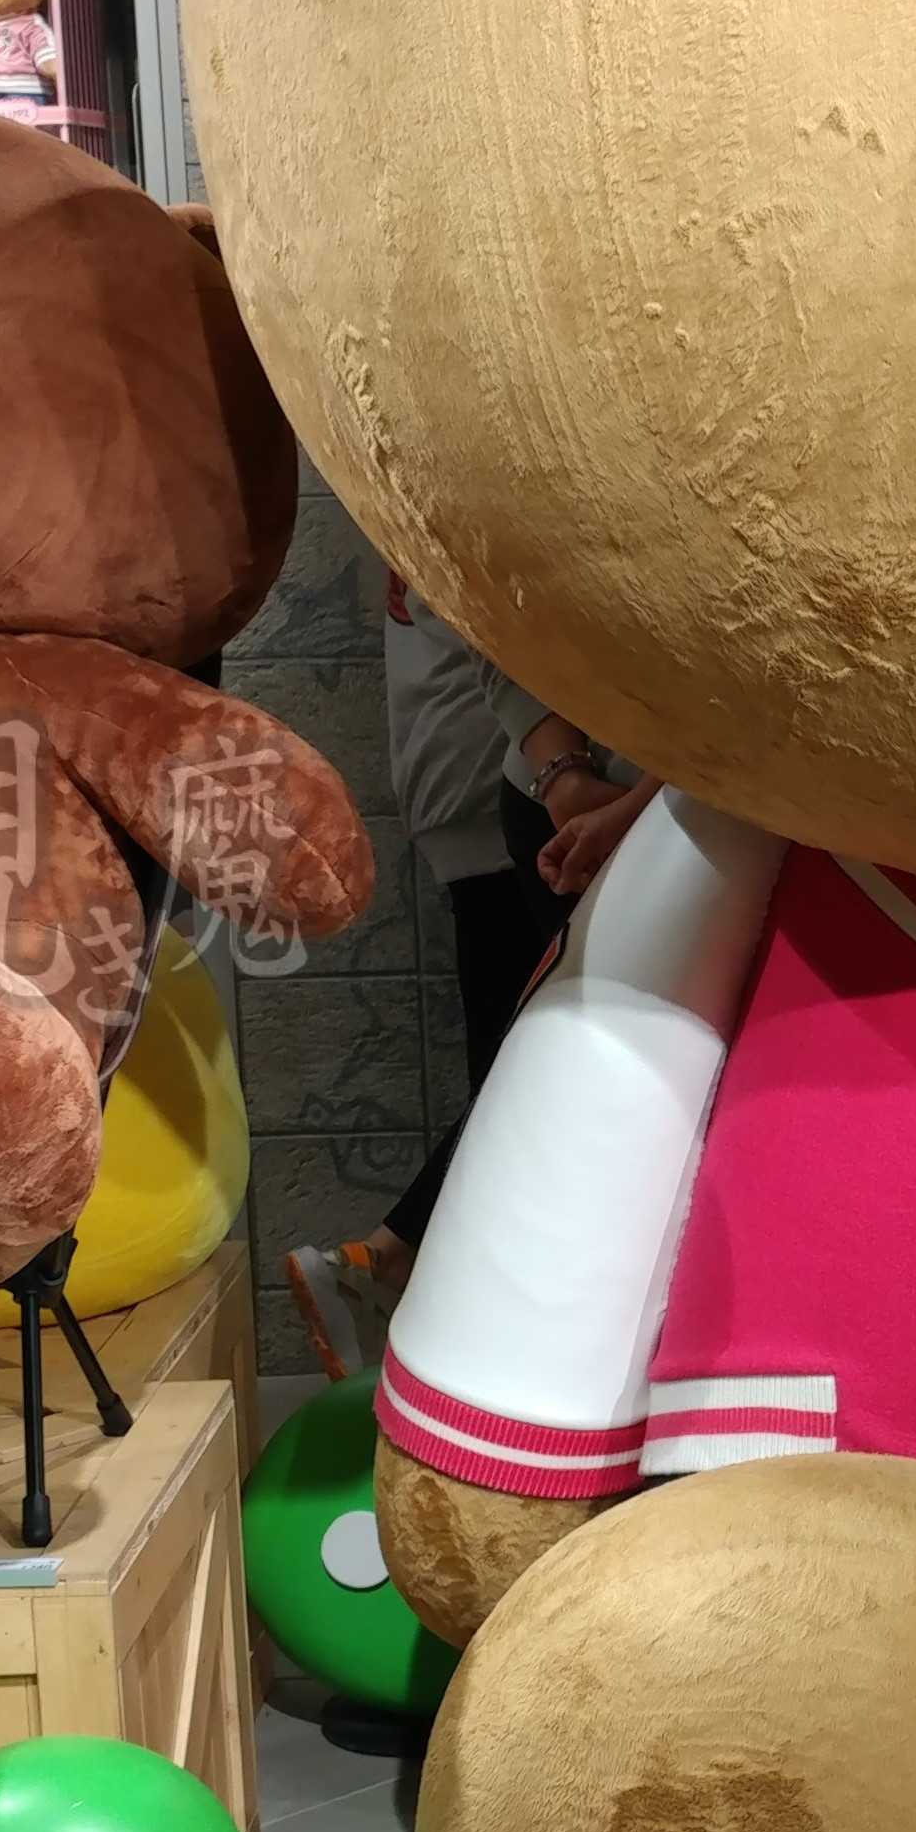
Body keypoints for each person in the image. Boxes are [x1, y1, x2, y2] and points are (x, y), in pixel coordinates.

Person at [288, 585, 648, 1373]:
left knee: (527, 1072)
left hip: (492, 784)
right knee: (534, 1081)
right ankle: (395, 1274)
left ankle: (389, 1268)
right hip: (525, 789)